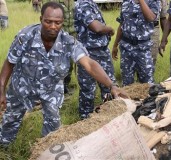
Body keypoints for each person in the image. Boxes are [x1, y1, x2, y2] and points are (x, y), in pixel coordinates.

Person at [0, 1, 128, 146]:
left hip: (51, 91)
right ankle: (5, 147)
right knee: (10, 121)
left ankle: (45, 151)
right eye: (48, 22)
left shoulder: (69, 42)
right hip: (22, 87)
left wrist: (111, 85)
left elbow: (90, 65)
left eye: (57, 22)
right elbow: (9, 63)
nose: (53, 27)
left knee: (53, 130)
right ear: (41, 19)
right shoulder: (25, 36)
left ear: (62, 22)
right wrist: (1, 90)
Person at [74, 0, 117, 119]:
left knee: (109, 86)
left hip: (101, 51)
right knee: (88, 90)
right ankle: (85, 120)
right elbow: (96, 28)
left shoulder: (90, 3)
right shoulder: (83, 4)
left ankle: (109, 116)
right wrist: (110, 29)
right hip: (89, 53)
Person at [112, 0, 160, 86]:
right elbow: (122, 25)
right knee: (127, 83)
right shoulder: (126, 2)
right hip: (126, 49)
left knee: (147, 83)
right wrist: (115, 45)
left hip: (143, 49)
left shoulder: (153, 1)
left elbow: (151, 18)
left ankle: (147, 99)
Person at [54, 0, 76, 94]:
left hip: (73, 35)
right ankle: (57, 85)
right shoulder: (55, 2)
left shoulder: (73, 2)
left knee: (70, 61)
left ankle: (66, 83)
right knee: (59, 60)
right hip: (60, 35)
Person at [151, 0, 167, 65]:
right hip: (136, 31)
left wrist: (164, 39)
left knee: (152, 58)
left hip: (153, 32)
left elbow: (163, 18)